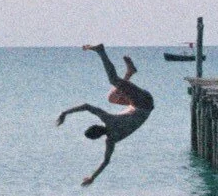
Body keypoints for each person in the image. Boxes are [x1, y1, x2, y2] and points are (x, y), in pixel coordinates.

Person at [57, 44, 154, 185]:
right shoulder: (108, 119)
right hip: (143, 101)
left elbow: (106, 161)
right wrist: (65, 113)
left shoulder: (112, 140)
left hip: (144, 107)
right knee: (113, 80)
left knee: (112, 98)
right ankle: (101, 51)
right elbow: (86, 106)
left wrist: (92, 177)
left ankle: (129, 73)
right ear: (96, 125)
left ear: (98, 137)